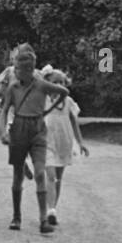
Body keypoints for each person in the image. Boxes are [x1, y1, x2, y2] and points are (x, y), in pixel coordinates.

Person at [0, 43, 68, 234]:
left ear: (31, 69)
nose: (21, 73)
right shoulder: (13, 88)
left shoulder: (42, 85)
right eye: (18, 69)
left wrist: (47, 110)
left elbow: (64, 92)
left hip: (37, 129)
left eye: (25, 69)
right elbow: (5, 110)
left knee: (39, 173)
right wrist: (3, 132)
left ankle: (43, 219)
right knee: (17, 176)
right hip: (19, 128)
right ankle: (16, 216)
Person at [44, 69, 89, 225]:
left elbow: (74, 123)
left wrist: (81, 142)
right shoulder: (43, 100)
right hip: (47, 141)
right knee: (50, 175)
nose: (59, 85)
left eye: (62, 82)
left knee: (58, 178)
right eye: (55, 82)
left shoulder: (68, 102)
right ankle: (50, 209)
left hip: (64, 142)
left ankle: (53, 209)